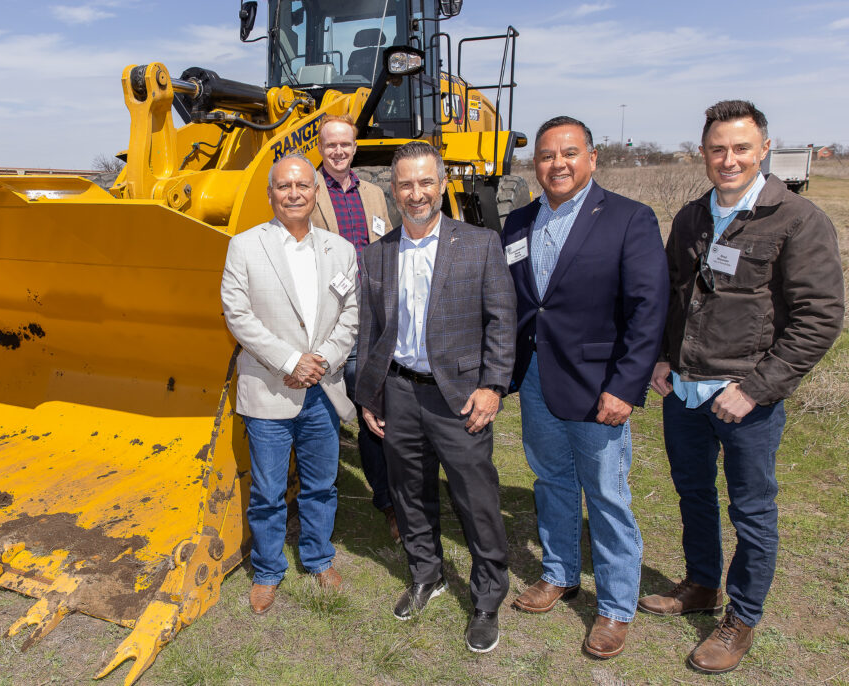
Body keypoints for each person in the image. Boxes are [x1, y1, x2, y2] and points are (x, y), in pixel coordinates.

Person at [639, 100, 844, 673]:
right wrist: (659, 358)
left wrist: (756, 388)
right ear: (703, 153)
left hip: (745, 400)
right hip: (684, 392)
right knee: (693, 493)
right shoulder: (690, 218)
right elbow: (671, 295)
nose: (728, 160)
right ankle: (703, 584)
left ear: (764, 150)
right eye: (718, 149)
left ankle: (742, 617)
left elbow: (819, 317)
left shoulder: (798, 220)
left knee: (752, 510)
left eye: (741, 149)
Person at [501, 116, 669, 658]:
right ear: (536, 165)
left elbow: (648, 311)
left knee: (607, 493)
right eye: (547, 156)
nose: (558, 164)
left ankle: (616, 607)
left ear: (592, 158)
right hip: (535, 378)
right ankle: (559, 572)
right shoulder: (518, 221)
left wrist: (625, 385)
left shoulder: (628, 218)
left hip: (599, 386)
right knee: (550, 480)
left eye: (570, 153)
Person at [356, 141, 516, 653]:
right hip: (399, 391)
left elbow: (502, 322)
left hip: (460, 396)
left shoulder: (480, 243)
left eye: (426, 182)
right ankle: (427, 574)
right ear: (393, 190)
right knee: (409, 492)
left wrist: (492, 386)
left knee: (477, 499)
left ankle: (488, 597)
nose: (416, 193)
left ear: (441, 184)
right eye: (406, 184)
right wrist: (369, 395)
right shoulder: (377, 253)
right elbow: (369, 332)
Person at [220, 152, 359, 615]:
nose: (294, 194)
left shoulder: (340, 250)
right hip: (269, 389)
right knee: (267, 491)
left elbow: (351, 315)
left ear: (316, 192)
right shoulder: (244, 246)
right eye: (284, 186)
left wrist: (322, 361)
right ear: (271, 194)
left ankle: (319, 557)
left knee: (322, 484)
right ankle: (267, 571)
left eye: (303, 186)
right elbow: (238, 316)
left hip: (322, 389)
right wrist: (290, 360)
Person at [309, 113, 398, 541]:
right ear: (320, 148)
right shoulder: (306, 192)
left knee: (374, 410)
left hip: (370, 315)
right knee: (324, 411)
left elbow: (388, 246)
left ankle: (387, 500)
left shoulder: (376, 194)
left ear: (355, 146)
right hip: (326, 317)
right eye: (330, 146)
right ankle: (317, 500)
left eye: (345, 144)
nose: (338, 151)